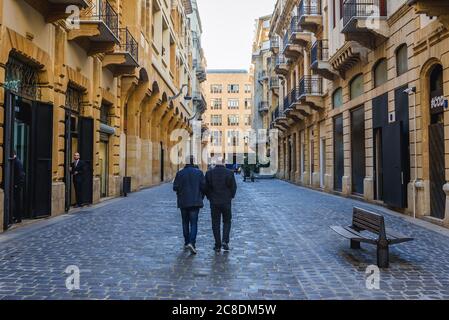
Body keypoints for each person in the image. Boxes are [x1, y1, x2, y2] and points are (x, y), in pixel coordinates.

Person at [173, 155, 206, 255]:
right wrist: (201, 196)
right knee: (194, 223)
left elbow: (175, 187)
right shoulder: (199, 173)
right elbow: (204, 187)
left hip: (183, 201)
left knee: (185, 223)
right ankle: (192, 242)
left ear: (185, 162)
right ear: (194, 162)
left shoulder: (180, 173)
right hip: (195, 201)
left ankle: (187, 242)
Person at [205, 156, 237, 253]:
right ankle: (225, 241)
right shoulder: (229, 173)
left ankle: (217, 244)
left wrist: (209, 197)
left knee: (215, 223)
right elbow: (234, 188)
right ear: (224, 163)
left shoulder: (209, 173)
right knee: (227, 221)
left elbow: (205, 188)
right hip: (226, 202)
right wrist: (230, 197)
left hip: (214, 202)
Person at [12, 150, 25, 224]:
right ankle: (16, 216)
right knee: (16, 201)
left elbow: (20, 174)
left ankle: (18, 217)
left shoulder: (17, 162)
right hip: (17, 184)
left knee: (17, 201)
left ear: (14, 154)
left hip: (17, 185)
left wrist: (17, 184)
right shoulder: (16, 161)